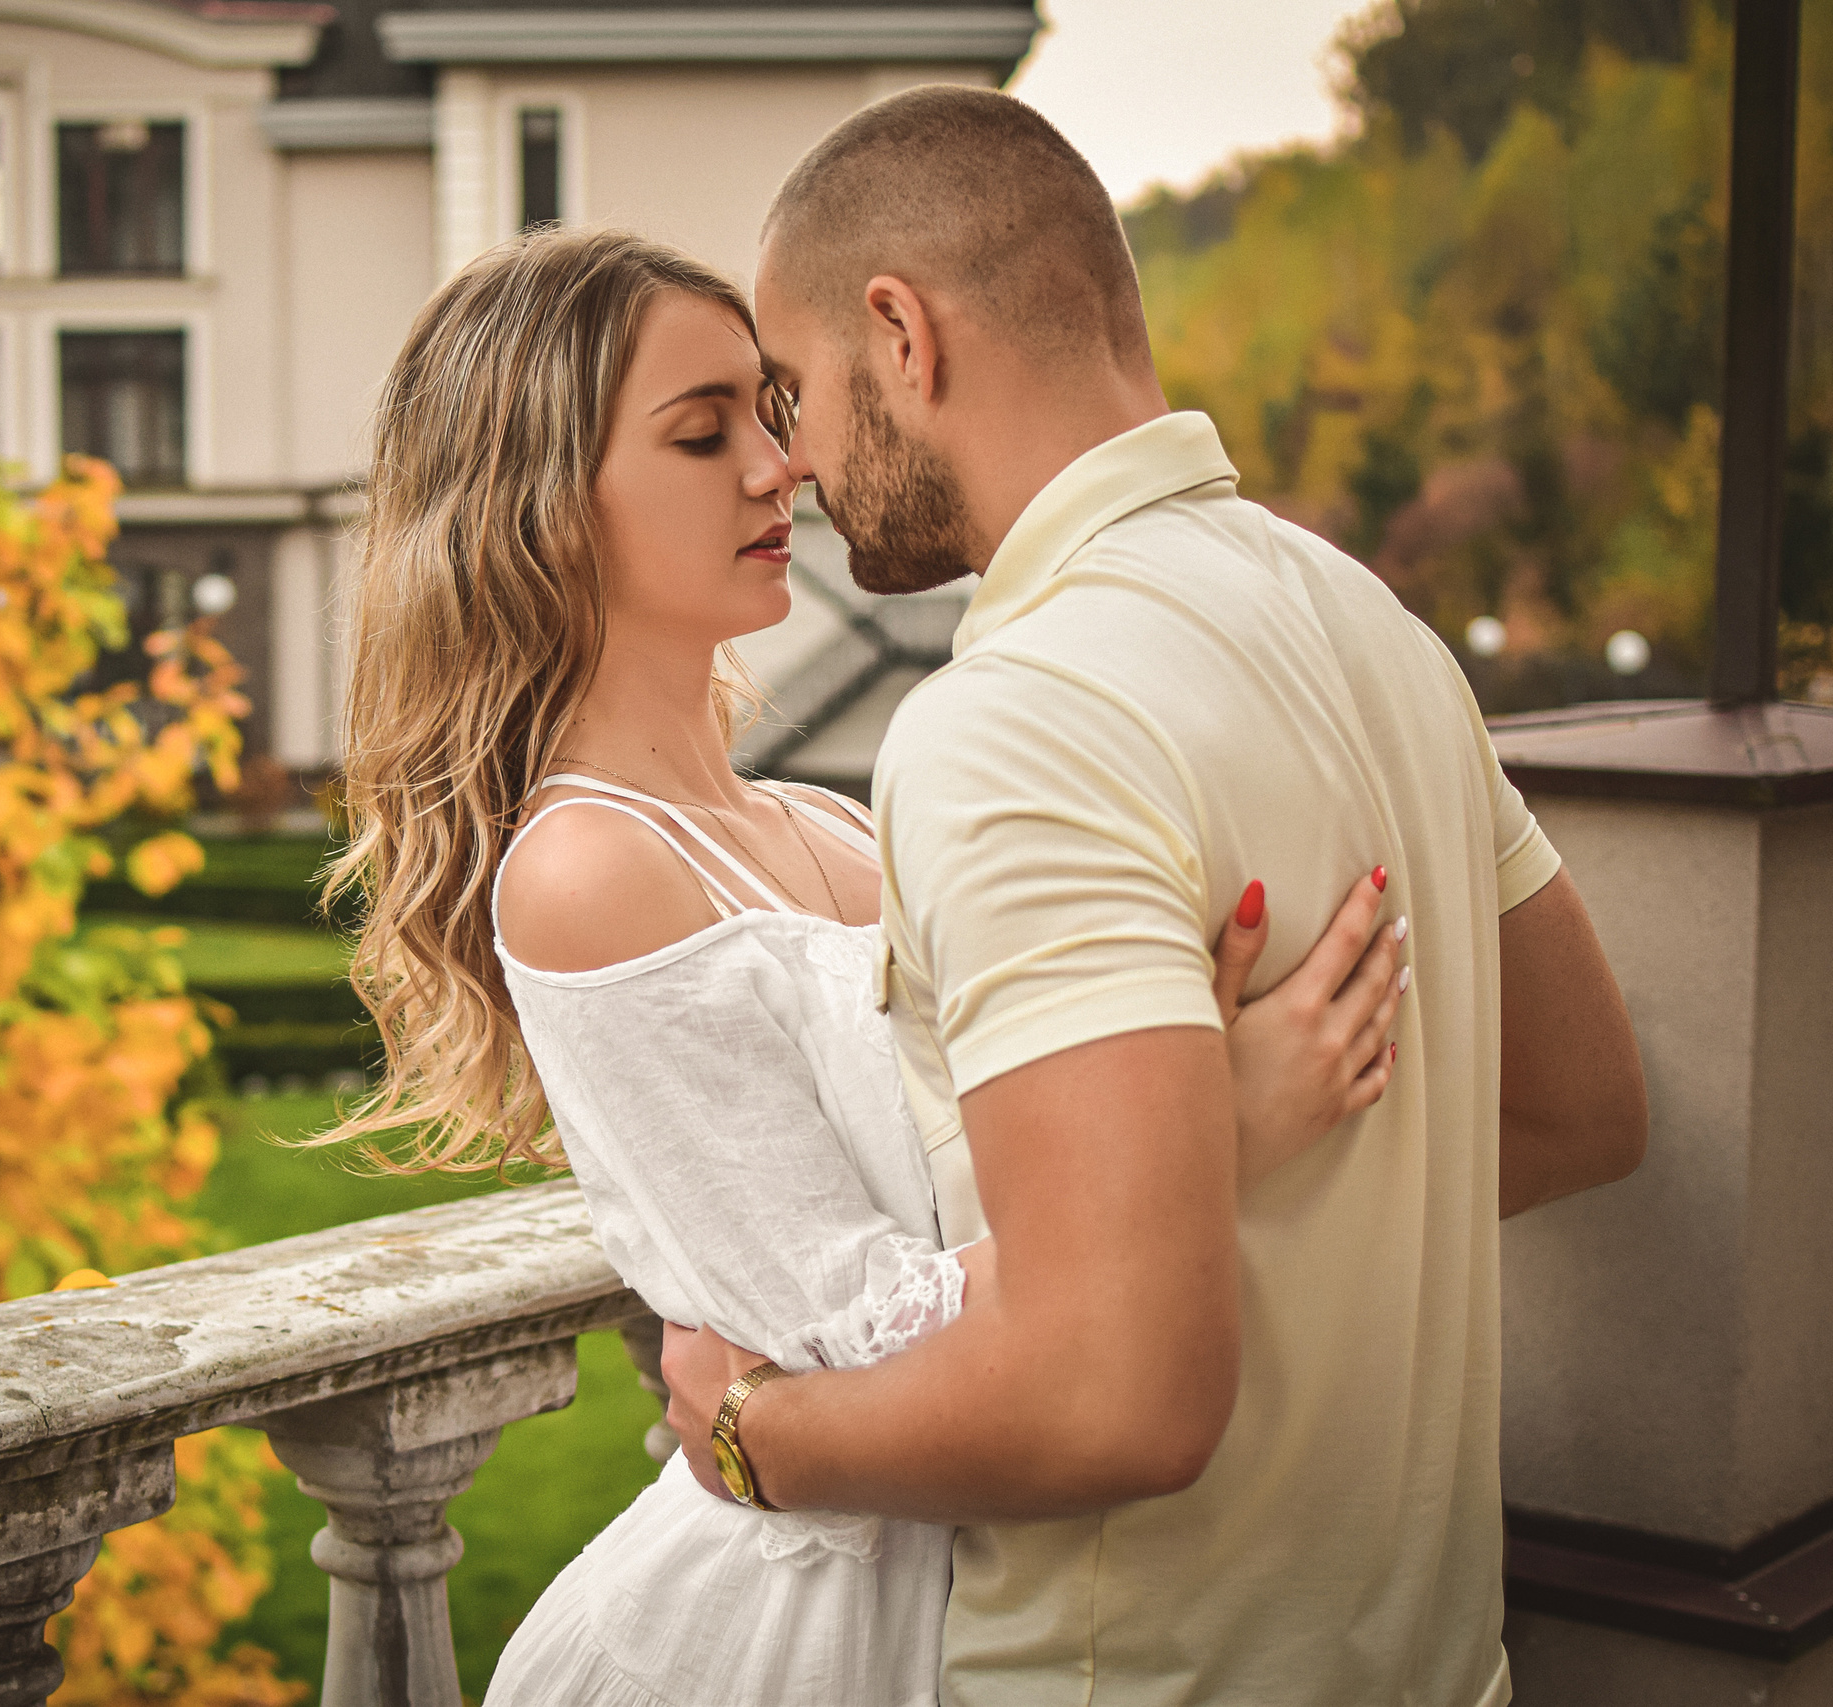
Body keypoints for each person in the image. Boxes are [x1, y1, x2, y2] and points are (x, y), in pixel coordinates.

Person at [322, 224, 1411, 1706]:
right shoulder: (584, 875)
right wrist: (1221, 1121)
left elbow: (1021, 1147)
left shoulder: (835, 819)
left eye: (771, 415)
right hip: (789, 1643)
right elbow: (855, 1339)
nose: (782, 469)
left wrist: (1152, 1081)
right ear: (538, 509)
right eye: (704, 434)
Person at [658, 86, 1649, 1705]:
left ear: (901, 335)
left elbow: (1121, 1399)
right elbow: (1579, 1109)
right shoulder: (1367, 620)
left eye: (793, 392)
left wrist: (761, 1438)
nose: (794, 461)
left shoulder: (1018, 721)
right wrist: (1200, 1188)